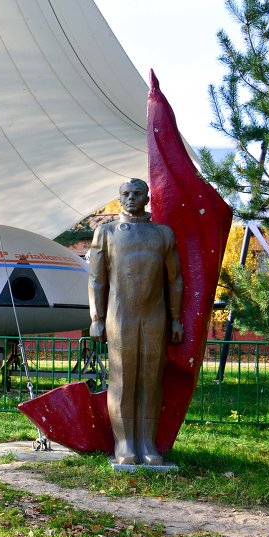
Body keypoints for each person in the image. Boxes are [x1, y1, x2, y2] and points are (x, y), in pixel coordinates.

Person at [88, 178, 183, 466]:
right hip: (120, 314)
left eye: (137, 193)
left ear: (147, 197)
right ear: (119, 199)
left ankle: (147, 443)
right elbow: (96, 279)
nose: (131, 198)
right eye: (126, 194)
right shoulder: (106, 232)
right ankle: (125, 444)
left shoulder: (163, 234)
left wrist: (176, 318)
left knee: (151, 380)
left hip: (155, 315)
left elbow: (174, 279)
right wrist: (97, 318)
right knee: (123, 379)